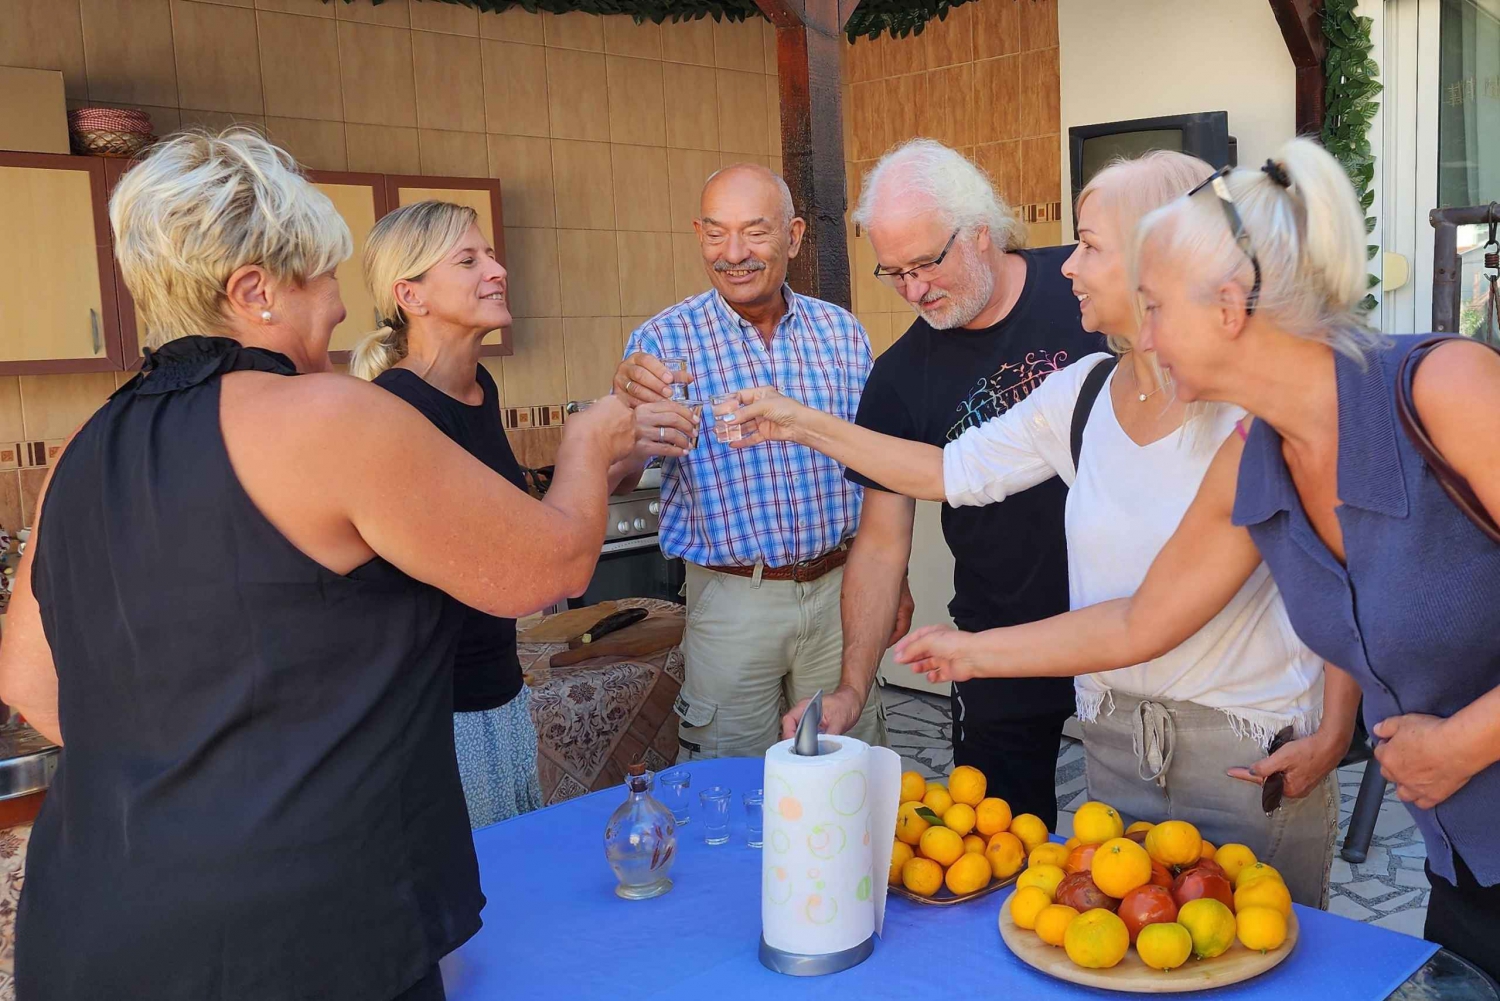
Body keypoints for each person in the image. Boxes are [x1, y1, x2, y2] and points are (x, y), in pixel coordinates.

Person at [0, 130, 634, 1001]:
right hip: (299, 936)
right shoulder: (328, 418)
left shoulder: (81, 447)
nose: (340, 306)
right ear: (254, 291)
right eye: (321, 275)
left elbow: (33, 685)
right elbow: (551, 566)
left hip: (93, 930)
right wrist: (592, 443)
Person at [893, 137, 1500, 977]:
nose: (1140, 333)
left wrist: (1468, 740)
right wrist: (968, 651)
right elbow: (1144, 618)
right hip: (1468, 856)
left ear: (1228, 304)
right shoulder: (1256, 452)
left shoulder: (1442, 389)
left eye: (1154, 305)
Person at [725, 151, 1352, 906]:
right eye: (894, 272)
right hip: (1117, 737)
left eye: (1090, 245)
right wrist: (799, 422)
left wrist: (1337, 720)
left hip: (1246, 746)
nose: (1069, 266)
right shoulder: (1081, 392)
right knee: (1125, 947)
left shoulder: (1251, 414)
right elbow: (945, 471)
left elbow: (1332, 569)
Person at [782, 139, 1103, 830]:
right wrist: (850, 686)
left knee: (1140, 852)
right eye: (893, 273)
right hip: (997, 641)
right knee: (998, 851)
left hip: (1129, 624)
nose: (914, 289)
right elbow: (879, 544)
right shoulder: (898, 380)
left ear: (980, 229)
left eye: (927, 263)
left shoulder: (1084, 289)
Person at [610, 162, 892, 760]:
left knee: (848, 770)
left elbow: (874, 472)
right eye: (715, 233)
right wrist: (621, 423)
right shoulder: (662, 343)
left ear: (792, 236)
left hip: (841, 588)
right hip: (732, 601)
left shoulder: (841, 334)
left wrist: (895, 585)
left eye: (754, 233)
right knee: (731, 785)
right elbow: (620, 478)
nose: (733, 253)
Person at [349, 200, 543, 829]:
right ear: (412, 295)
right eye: (469, 259)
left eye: (488, 253)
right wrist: (596, 451)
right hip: (439, 713)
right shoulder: (395, 411)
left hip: (499, 695)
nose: (497, 269)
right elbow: (506, 555)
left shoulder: (480, 391)